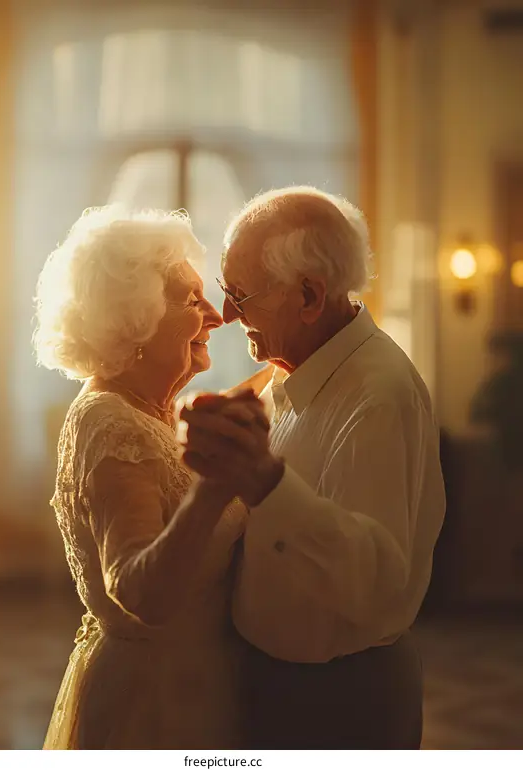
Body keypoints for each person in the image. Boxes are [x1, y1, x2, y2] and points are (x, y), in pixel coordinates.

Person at [180, 186, 446, 749]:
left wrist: (266, 484)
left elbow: (375, 582)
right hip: (277, 683)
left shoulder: (379, 396)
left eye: (240, 295)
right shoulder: (295, 367)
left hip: (339, 700)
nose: (226, 314)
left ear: (308, 295)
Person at [33, 205, 261, 749]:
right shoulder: (107, 421)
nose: (216, 315)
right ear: (132, 318)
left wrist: (293, 363)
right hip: (155, 706)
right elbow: (139, 591)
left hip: (199, 684)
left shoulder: (148, 407)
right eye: (192, 300)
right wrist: (215, 487)